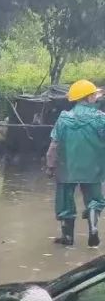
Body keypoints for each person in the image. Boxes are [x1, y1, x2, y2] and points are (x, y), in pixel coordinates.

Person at [46, 80, 105, 248]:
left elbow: (54, 145)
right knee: (94, 200)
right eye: (93, 94)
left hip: (67, 168)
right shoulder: (101, 119)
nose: (96, 96)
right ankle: (93, 229)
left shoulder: (64, 118)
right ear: (88, 98)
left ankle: (68, 238)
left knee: (65, 201)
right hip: (94, 168)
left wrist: (50, 166)